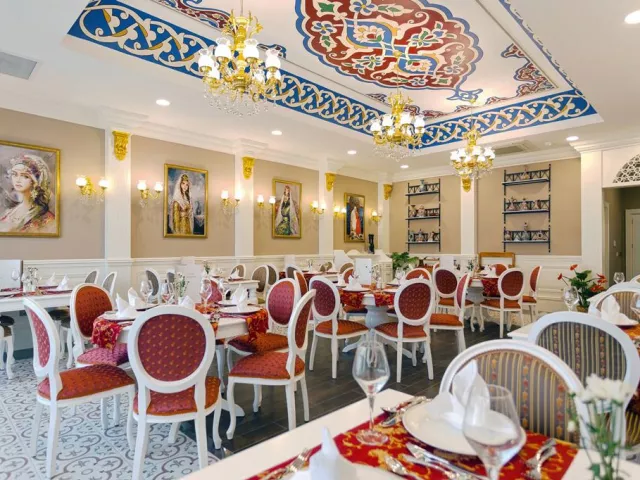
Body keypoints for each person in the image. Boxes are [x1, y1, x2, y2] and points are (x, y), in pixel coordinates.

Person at [0, 154, 55, 234]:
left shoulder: (45, 218)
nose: (18, 180)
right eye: (14, 174)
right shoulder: (10, 212)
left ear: (36, 181)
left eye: (25, 176)